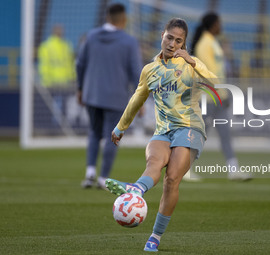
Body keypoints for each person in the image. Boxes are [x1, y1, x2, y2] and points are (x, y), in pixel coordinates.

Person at [105, 18, 217, 252]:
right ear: (162, 35)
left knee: (172, 178)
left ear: (184, 44)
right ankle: (136, 189)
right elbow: (137, 98)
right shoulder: (150, 70)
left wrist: (193, 61)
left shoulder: (190, 65)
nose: (173, 44)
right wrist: (120, 127)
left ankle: (155, 236)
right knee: (155, 160)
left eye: (179, 41)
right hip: (163, 129)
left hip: (190, 128)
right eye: (169, 38)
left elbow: (217, 84)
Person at [76, 4, 142, 189]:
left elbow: (80, 64)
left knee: (94, 132)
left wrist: (80, 89)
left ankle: (90, 173)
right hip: (116, 96)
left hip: (92, 94)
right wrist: (141, 100)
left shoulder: (91, 36)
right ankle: (103, 178)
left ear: (107, 17)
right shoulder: (129, 42)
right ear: (124, 19)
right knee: (113, 136)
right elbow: (137, 73)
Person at [191, 12, 251, 181]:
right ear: (212, 25)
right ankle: (184, 168)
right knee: (198, 135)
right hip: (207, 97)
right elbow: (208, 73)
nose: (221, 26)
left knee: (225, 134)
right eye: (218, 23)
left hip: (217, 97)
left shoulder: (212, 43)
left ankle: (234, 170)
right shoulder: (204, 44)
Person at [38, 24, 75, 127]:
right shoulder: (47, 46)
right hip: (52, 82)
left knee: (61, 106)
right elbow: (44, 64)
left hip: (64, 82)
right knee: (53, 105)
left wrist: (72, 78)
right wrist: (45, 79)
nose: (61, 32)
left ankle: (59, 126)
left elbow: (70, 64)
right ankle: (54, 125)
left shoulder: (66, 45)